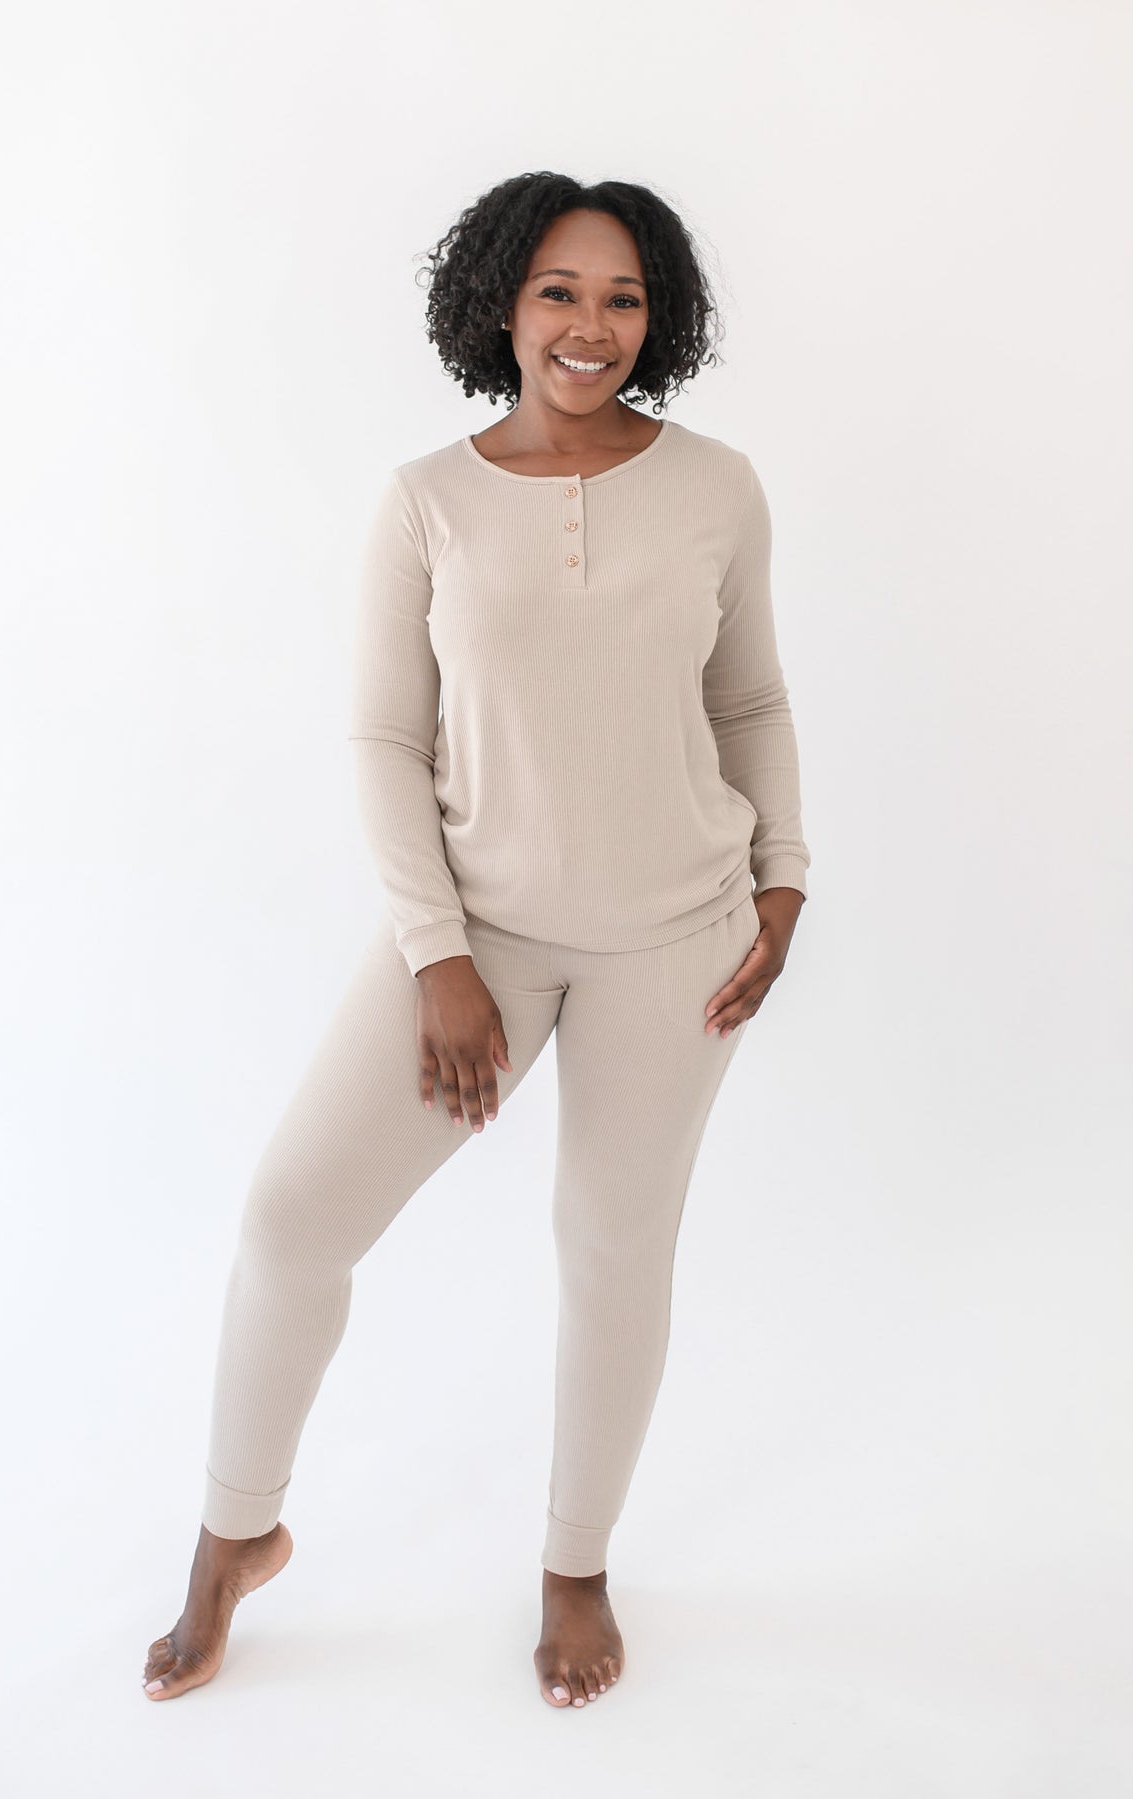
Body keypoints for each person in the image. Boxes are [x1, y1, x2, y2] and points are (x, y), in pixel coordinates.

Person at [142, 172, 811, 1712]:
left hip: (679, 944)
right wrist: (438, 956)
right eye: (561, 292)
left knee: (612, 1251)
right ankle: (232, 1536)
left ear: (662, 319)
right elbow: (384, 738)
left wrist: (785, 881)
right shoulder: (426, 502)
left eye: (625, 297)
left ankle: (575, 1563)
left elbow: (753, 704)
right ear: (503, 301)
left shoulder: (718, 487)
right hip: (481, 938)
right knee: (294, 1215)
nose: (592, 325)